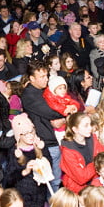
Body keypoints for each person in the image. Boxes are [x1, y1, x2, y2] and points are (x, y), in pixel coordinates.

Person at [22, 62, 65, 192]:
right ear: (32, 78)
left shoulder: (42, 90)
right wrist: (67, 113)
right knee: (50, 183)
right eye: (41, 76)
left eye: (46, 75)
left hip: (52, 139)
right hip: (45, 142)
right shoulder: (30, 94)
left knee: (56, 181)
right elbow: (51, 111)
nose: (46, 79)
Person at [4, 113, 48, 207]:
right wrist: (25, 171)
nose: (30, 136)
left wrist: (42, 165)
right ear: (18, 135)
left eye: (31, 131)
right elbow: (9, 179)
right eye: (25, 134)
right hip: (24, 196)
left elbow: (49, 164)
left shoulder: (40, 146)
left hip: (40, 193)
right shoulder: (14, 152)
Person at [60, 112, 104, 193]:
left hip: (96, 184)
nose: (90, 128)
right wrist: (97, 162)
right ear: (75, 129)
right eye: (86, 126)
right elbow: (81, 178)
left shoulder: (92, 139)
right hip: (79, 191)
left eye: (90, 124)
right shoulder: (68, 150)